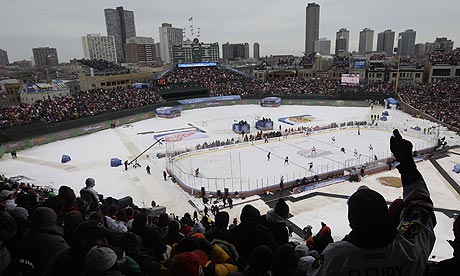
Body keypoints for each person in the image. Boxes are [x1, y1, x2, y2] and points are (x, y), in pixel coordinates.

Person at [307, 129, 436, 276]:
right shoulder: (410, 250)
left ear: (351, 223)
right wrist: (407, 163)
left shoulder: (334, 257)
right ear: (386, 217)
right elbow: (422, 206)